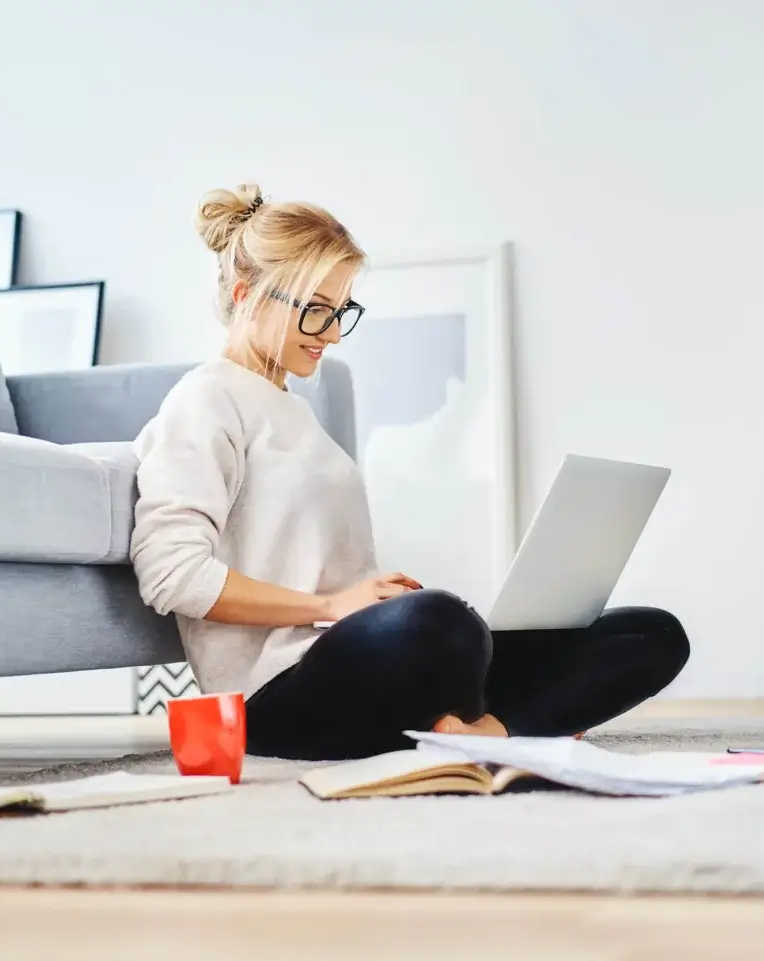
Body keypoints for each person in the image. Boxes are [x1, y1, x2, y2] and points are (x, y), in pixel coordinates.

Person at [130, 183, 691, 761]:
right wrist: (331, 607)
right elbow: (171, 574)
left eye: (341, 310)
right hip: (275, 694)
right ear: (247, 295)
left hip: (359, 660)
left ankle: (486, 733)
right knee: (442, 625)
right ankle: (519, 717)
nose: (328, 332)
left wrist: (371, 600)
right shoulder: (205, 399)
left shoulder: (294, 411)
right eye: (314, 309)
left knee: (649, 634)